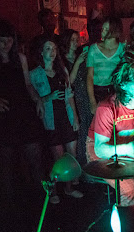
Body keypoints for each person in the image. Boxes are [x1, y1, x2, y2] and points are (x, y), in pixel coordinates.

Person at [0, 20, 45, 201]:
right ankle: (10, 206)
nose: (7, 45)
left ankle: (40, 199)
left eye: (9, 40)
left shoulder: (20, 58)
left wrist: (37, 99)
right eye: (2, 41)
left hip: (23, 111)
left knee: (34, 155)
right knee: (6, 163)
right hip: (3, 116)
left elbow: (28, 84)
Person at [86, 40, 134, 206]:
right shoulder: (106, 108)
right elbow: (100, 148)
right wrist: (128, 148)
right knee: (130, 189)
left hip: (126, 147)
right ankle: (127, 229)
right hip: (100, 150)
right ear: (123, 84)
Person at [30, 38, 82, 204]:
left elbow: (70, 96)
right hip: (51, 120)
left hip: (66, 117)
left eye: (53, 49)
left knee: (71, 156)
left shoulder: (62, 71)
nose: (51, 52)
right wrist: (48, 97)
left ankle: (69, 188)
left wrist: (74, 117)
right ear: (41, 52)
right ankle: (52, 191)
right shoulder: (35, 74)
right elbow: (34, 100)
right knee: (58, 159)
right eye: (47, 48)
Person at [61, 29, 92, 166]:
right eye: (72, 40)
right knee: (79, 132)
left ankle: (90, 162)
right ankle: (81, 167)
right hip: (74, 98)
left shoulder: (82, 56)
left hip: (86, 95)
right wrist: (78, 62)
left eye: (77, 39)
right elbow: (70, 81)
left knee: (89, 129)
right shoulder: (62, 60)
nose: (75, 42)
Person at [86, 16, 125, 115]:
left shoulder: (122, 49)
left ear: (114, 31)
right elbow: (89, 76)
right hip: (98, 91)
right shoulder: (94, 49)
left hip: (115, 91)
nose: (102, 31)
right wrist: (92, 101)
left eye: (106, 29)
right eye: (102, 28)